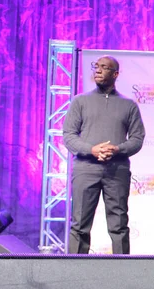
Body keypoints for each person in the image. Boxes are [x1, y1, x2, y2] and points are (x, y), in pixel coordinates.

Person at [63, 55, 146, 255]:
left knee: (118, 225)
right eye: (96, 66)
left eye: (105, 68)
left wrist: (117, 149)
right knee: (80, 225)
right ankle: (73, 276)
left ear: (115, 74)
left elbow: (137, 138)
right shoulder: (80, 101)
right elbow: (69, 135)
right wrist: (92, 150)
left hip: (117, 171)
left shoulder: (129, 105)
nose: (98, 70)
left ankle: (121, 277)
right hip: (86, 169)